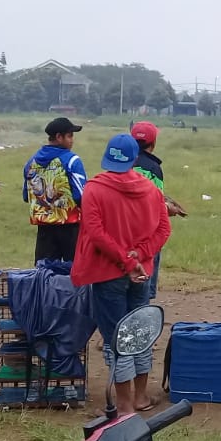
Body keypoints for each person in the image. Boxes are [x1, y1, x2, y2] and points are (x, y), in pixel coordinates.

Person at [71, 134, 171, 415]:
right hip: (142, 273)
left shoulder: (94, 190)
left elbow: (94, 232)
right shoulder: (152, 190)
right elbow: (163, 230)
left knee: (117, 337)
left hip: (108, 273)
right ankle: (140, 398)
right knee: (140, 332)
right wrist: (139, 255)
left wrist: (126, 261)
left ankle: (124, 404)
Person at [131, 121, 187, 301]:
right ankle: (144, 303)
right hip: (147, 229)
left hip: (124, 226)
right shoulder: (154, 168)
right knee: (147, 266)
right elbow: (155, 200)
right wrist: (169, 209)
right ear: (153, 143)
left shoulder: (124, 162)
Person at [22, 116, 87, 264]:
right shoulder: (72, 160)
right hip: (70, 229)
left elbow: (26, 196)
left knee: (44, 275)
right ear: (59, 137)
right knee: (76, 273)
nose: (72, 140)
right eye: (70, 136)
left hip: (44, 229)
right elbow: (82, 196)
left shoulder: (30, 163)